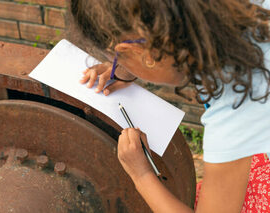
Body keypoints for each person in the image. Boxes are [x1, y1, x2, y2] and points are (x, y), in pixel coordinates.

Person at [69, 0, 270, 212]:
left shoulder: (238, 107)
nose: (119, 66)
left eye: (121, 58)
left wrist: (142, 175)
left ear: (143, 52)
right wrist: (132, 68)